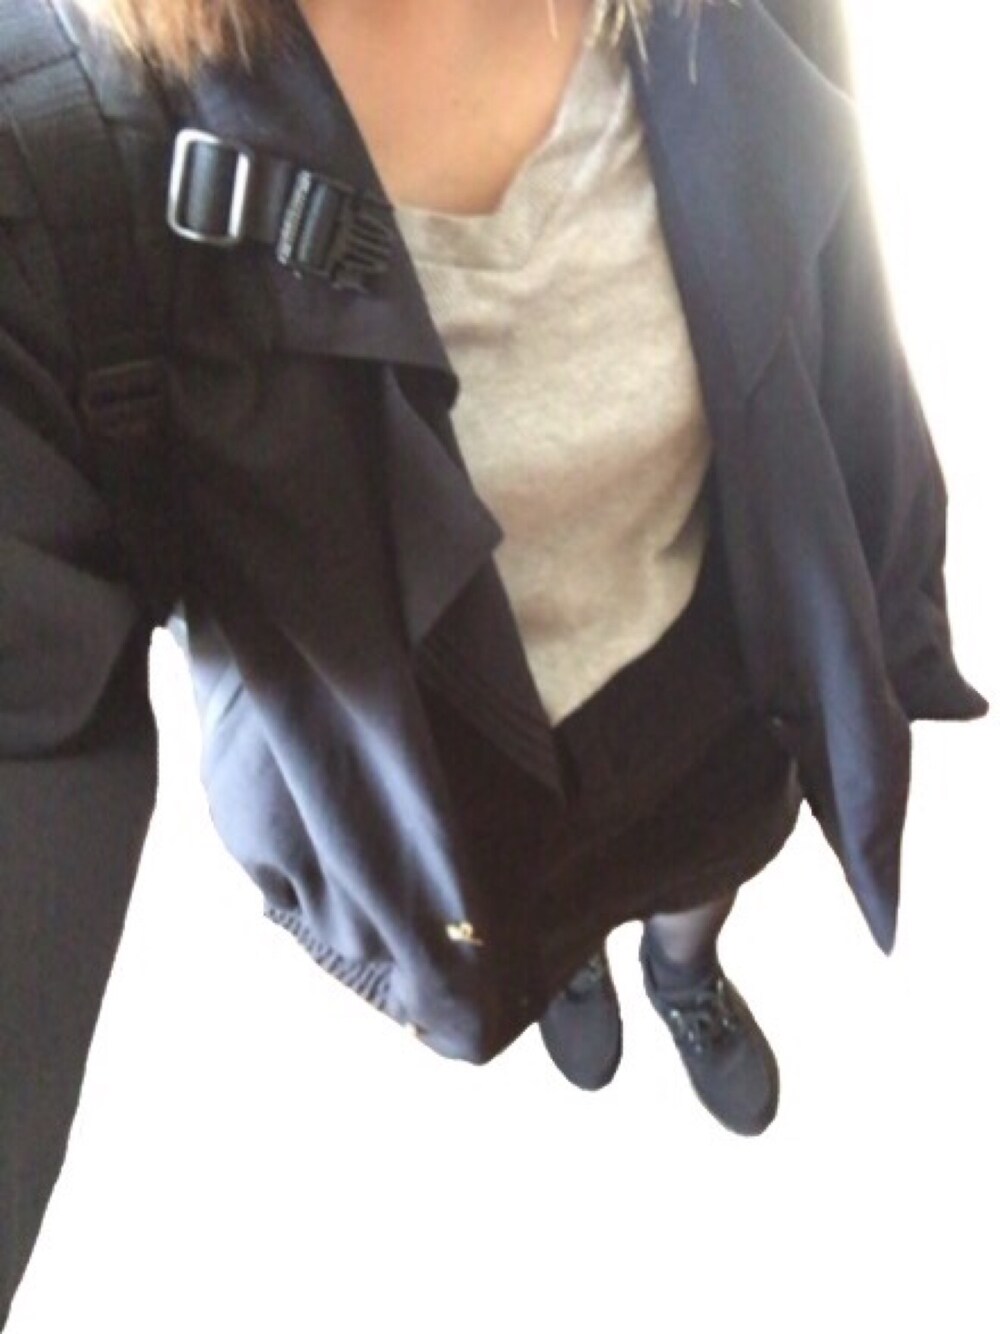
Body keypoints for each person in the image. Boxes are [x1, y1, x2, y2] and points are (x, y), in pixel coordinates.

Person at [0, 0, 987, 1323]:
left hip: (709, 691)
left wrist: (896, 610)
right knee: (537, 912)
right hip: (463, 790)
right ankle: (567, 960)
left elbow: (845, 326)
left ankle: (680, 971)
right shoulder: (60, 148)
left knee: (701, 872)